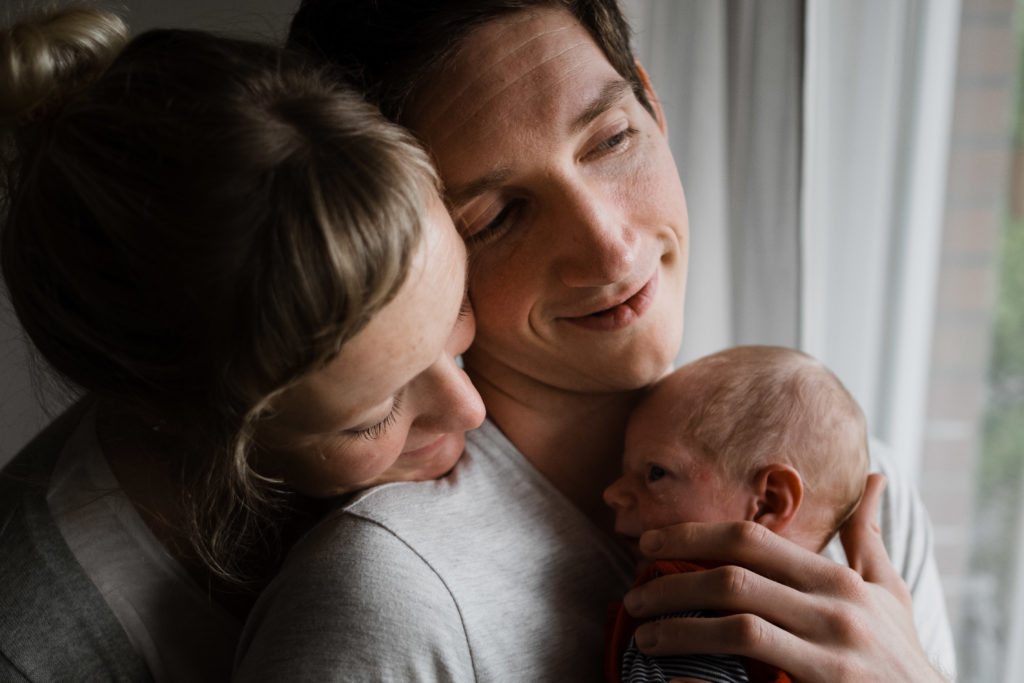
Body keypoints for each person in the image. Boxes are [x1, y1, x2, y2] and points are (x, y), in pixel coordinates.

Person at [235, 2, 954, 681]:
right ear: (417, 252)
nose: (611, 250)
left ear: (653, 107)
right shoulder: (387, 603)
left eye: (612, 140)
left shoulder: (856, 503)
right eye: (498, 216)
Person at [0, 5, 484, 681]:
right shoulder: (32, 646)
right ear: (186, 414)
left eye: (458, 310)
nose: (470, 408)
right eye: (373, 416)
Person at [603, 345, 871, 683]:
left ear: (767, 503)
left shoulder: (698, 616)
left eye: (655, 473)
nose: (611, 493)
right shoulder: (845, 636)